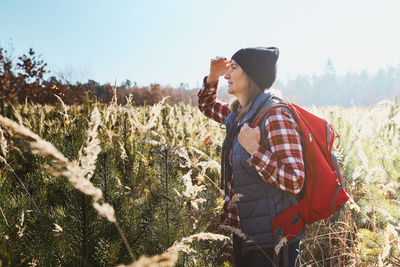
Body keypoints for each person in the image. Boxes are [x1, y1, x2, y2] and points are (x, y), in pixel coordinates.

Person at [197, 47, 305, 267]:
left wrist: (256, 152)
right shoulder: (240, 113)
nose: (227, 75)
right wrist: (212, 77)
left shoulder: (274, 115)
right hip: (246, 234)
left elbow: (295, 180)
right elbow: (206, 106)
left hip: (273, 241)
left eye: (233, 68)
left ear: (252, 75)